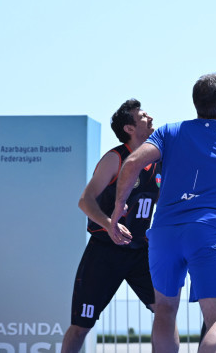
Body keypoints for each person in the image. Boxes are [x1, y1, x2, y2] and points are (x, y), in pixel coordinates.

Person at [111, 73, 216, 353]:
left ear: (195, 102)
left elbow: (130, 164)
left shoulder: (169, 132)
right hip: (206, 233)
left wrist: (119, 207)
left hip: (164, 234)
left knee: (165, 310)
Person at [61, 99, 162, 353]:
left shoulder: (158, 160)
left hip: (140, 251)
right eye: (143, 115)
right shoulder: (115, 158)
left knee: (165, 312)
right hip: (105, 251)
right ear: (129, 128)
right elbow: (85, 200)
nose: (150, 117)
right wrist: (109, 224)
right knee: (81, 326)